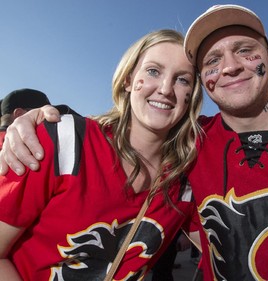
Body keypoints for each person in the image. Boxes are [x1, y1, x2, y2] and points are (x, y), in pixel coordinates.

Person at [1, 4, 268, 281]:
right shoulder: (66, 142)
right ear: (129, 78)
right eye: (212, 59)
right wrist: (39, 120)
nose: (229, 66)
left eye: (245, 49)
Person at [0, 29, 203, 280]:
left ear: (191, 96)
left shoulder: (184, 181)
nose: (165, 89)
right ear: (128, 79)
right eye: (153, 71)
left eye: (182, 79)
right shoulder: (62, 141)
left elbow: (229, 249)